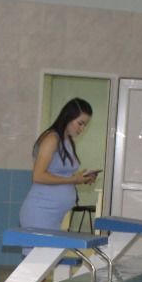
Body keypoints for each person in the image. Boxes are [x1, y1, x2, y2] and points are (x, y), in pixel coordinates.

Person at [19, 98, 99, 233]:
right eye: (80, 123)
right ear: (68, 117)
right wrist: (73, 180)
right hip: (40, 213)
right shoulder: (52, 139)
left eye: (85, 125)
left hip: (54, 215)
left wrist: (81, 178)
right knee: (39, 254)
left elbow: (59, 176)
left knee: (49, 254)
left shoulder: (67, 141)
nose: (82, 128)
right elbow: (38, 176)